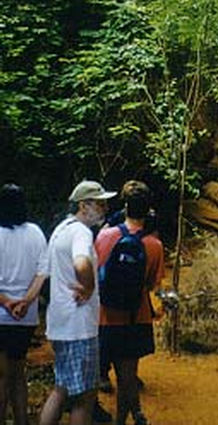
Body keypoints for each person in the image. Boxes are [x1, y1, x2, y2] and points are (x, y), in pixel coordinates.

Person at [39, 180, 117, 425]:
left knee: (61, 389)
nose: (105, 208)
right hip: (79, 326)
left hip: (60, 322)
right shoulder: (81, 232)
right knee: (84, 397)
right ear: (84, 205)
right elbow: (81, 263)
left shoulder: (61, 229)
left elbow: (46, 273)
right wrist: (89, 286)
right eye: (100, 203)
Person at [95, 181, 164, 425]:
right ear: (148, 212)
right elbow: (153, 284)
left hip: (104, 316)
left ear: (125, 208)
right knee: (127, 376)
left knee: (99, 369)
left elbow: (97, 272)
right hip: (136, 317)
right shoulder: (155, 246)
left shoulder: (105, 236)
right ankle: (121, 420)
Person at [0, 184, 48, 425]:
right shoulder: (36, 233)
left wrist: (7, 302)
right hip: (25, 317)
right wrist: (27, 301)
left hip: (1, 315)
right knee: (18, 372)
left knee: (1, 376)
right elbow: (42, 272)